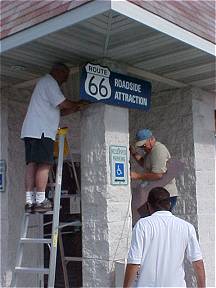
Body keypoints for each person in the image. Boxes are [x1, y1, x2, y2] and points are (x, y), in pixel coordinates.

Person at [21, 63, 88, 213]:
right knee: (44, 164)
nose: (64, 81)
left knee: (32, 164)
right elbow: (63, 103)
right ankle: (40, 200)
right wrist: (78, 103)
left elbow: (60, 112)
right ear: (59, 72)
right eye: (65, 77)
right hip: (42, 132)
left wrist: (75, 108)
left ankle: (29, 201)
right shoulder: (49, 82)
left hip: (31, 131)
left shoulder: (43, 85)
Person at [123, 187, 206, 288]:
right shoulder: (186, 227)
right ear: (169, 204)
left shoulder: (142, 225)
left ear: (148, 205)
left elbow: (134, 263)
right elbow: (198, 263)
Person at [130, 128, 178, 212]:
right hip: (157, 195)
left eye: (144, 145)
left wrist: (136, 176)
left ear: (151, 139)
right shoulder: (151, 151)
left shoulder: (158, 150)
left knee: (161, 222)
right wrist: (133, 152)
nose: (143, 148)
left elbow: (158, 175)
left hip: (164, 196)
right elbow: (144, 163)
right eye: (141, 146)